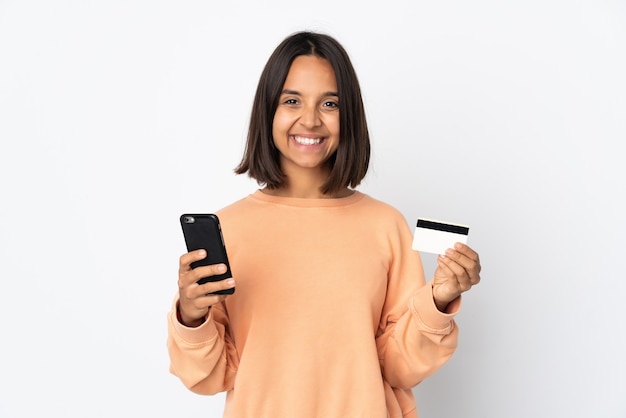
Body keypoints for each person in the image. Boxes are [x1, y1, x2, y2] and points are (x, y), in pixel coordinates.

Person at [167, 31, 481, 418]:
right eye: (292, 100)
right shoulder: (228, 229)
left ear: (349, 114)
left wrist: (438, 299)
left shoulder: (385, 225)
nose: (311, 120)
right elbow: (210, 375)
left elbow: (400, 367)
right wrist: (191, 314)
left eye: (330, 103)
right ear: (268, 111)